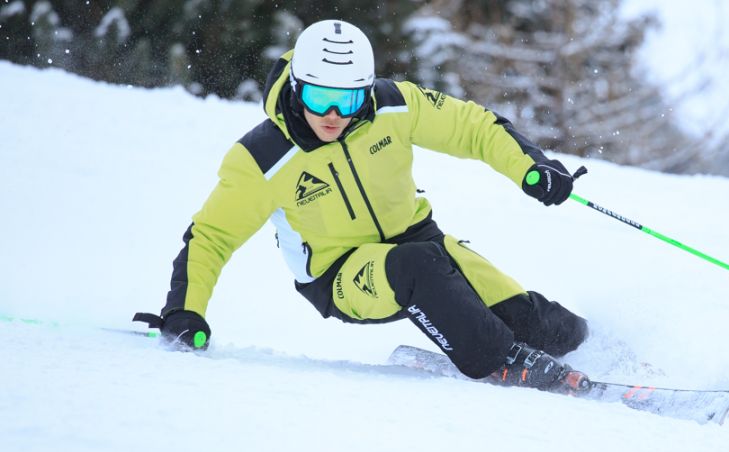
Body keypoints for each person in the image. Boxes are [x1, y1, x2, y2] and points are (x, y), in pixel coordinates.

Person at [138, 19, 588, 390]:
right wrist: (184, 311)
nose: (333, 115)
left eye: (348, 99)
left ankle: (574, 344)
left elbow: (472, 127)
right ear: (296, 87)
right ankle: (500, 360)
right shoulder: (264, 158)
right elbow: (212, 236)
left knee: (543, 325)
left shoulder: (393, 105)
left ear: (366, 90)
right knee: (418, 267)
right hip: (340, 274)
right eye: (319, 98)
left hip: (420, 240)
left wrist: (531, 167)